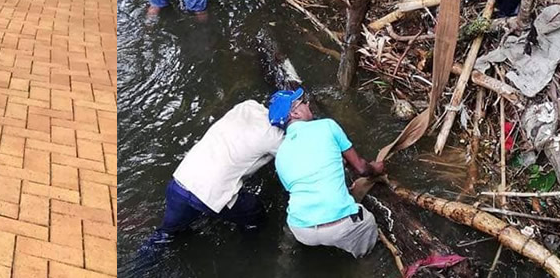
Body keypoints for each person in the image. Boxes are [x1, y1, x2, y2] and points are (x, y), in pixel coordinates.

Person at [145, 99, 285, 245]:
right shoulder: (275, 137)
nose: (306, 105)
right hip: (209, 195)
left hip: (181, 183)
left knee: (165, 235)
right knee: (254, 213)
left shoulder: (247, 106)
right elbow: (292, 159)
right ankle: (249, 250)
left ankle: (144, 256)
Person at [270, 88, 385, 258]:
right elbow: (361, 168)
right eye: (303, 103)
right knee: (368, 230)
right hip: (340, 226)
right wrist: (377, 168)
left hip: (301, 230)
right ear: (294, 113)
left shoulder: (279, 155)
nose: (308, 104)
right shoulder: (327, 126)